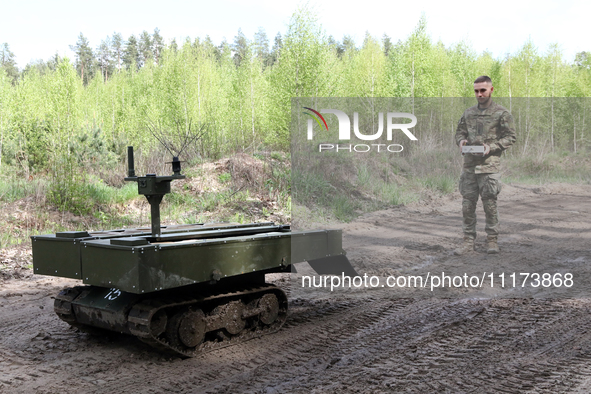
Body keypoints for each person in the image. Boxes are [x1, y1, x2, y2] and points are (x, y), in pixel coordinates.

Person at [454, 76, 516, 255]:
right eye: (476, 91)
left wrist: (492, 147)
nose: (479, 94)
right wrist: (461, 141)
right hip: (469, 167)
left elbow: (511, 137)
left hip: (490, 167)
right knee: (467, 205)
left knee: (490, 205)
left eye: (483, 90)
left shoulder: (502, 114)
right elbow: (460, 132)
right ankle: (468, 242)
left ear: (491, 90)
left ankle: (492, 241)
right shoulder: (468, 113)